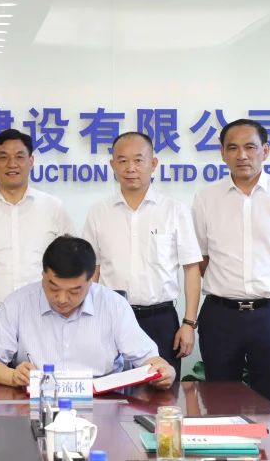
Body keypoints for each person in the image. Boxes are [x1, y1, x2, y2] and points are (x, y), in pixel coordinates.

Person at [193, 118, 270, 409]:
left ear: (265, 151)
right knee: (220, 403)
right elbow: (201, 257)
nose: (242, 155)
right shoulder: (206, 198)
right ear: (222, 153)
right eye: (232, 148)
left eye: (250, 147)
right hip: (221, 317)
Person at [0, 235, 175, 388]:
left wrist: (165, 371)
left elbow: (150, 360)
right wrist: (12, 376)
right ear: (43, 274)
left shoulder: (113, 305)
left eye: (74, 291)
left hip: (103, 403)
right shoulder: (18, 303)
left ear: (91, 279)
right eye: (53, 288)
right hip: (38, 401)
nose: (61, 299)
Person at [83, 131, 202, 381]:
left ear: (153, 163)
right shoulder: (98, 212)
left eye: (138, 160)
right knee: (109, 390)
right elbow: (92, 269)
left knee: (162, 390)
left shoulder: (174, 210)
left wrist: (189, 323)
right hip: (111, 317)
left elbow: (191, 268)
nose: (130, 168)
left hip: (160, 318)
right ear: (112, 165)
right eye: (122, 161)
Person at [0, 129, 74, 360]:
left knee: (43, 379)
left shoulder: (53, 208)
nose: (12, 164)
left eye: (19, 156)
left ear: (31, 161)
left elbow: (70, 267)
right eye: (3, 157)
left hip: (43, 314)